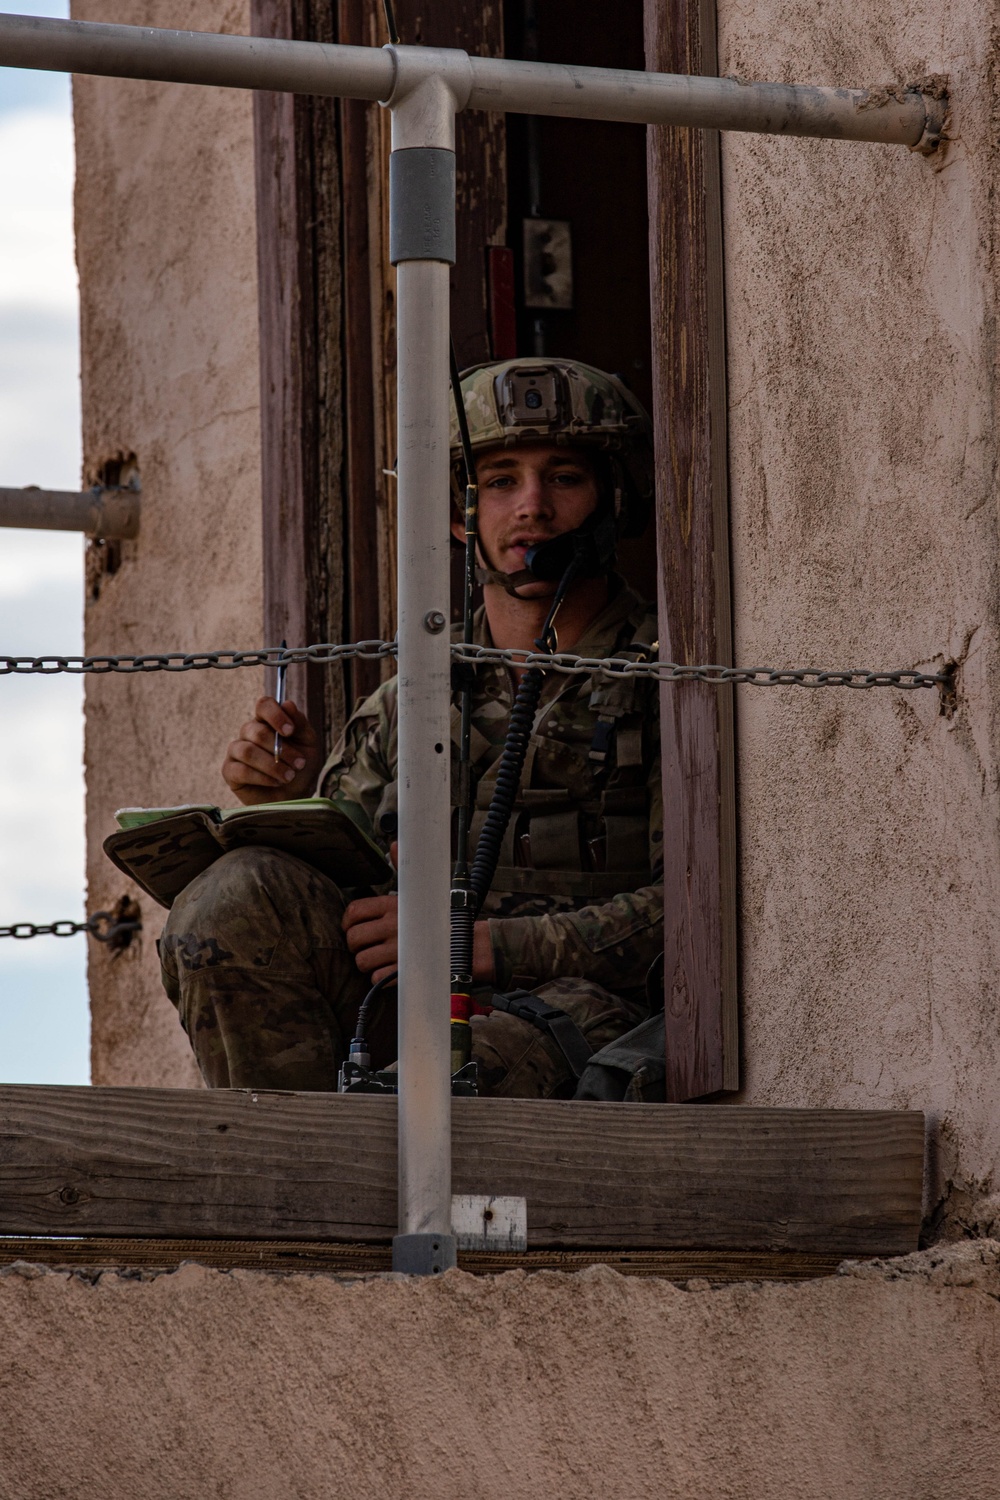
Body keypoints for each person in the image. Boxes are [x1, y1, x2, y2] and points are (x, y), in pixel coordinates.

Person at [159, 358, 664, 1097]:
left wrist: (486, 946)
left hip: (585, 1013)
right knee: (234, 895)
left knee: (419, 1098)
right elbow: (337, 906)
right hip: (414, 1009)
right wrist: (279, 807)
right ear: (458, 514)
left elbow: (697, 907)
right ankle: (285, 1168)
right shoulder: (416, 698)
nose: (532, 507)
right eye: (500, 482)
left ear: (612, 500)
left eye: (564, 477)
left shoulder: (669, 683)